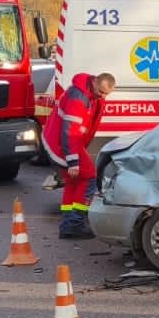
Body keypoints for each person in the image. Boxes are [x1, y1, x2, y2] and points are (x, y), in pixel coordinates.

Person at [41, 71, 115, 239]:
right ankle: (74, 223)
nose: (103, 96)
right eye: (101, 92)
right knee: (89, 177)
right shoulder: (79, 98)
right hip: (63, 144)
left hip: (62, 143)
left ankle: (68, 224)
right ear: (95, 81)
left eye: (106, 94)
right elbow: (70, 132)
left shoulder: (89, 94)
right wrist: (73, 161)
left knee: (73, 182)